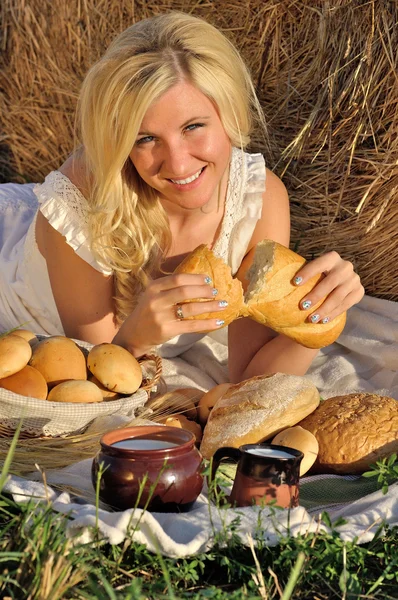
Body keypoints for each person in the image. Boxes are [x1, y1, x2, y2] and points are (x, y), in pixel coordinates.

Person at [0, 11, 364, 383]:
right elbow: (98, 378)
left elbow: (248, 379)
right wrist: (136, 336)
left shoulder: (259, 201)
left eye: (193, 127)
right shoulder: (79, 205)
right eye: (145, 138)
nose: (177, 163)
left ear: (231, 115)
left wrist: (319, 319)